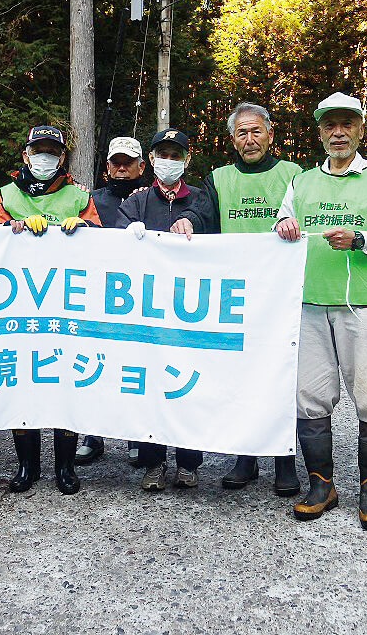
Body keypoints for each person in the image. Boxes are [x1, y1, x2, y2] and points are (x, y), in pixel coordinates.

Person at [274, 92, 367, 530]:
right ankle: (322, 484)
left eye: (347, 124)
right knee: (310, 397)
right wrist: (283, 227)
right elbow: (282, 223)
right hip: (310, 304)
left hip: (366, 306)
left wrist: (360, 239)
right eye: (330, 125)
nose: (338, 132)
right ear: (319, 132)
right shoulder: (302, 181)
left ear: (360, 129)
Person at [180, 102, 304, 496]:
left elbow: (309, 218)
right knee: (242, 377)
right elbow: (205, 218)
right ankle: (246, 458)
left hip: (283, 293)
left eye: (256, 132)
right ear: (232, 140)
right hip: (237, 295)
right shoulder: (219, 178)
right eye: (241, 134)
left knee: (282, 377)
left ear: (270, 133)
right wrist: (188, 222)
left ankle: (285, 463)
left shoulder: (294, 175)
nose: (249, 140)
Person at [0, 124, 102, 495]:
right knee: (22, 380)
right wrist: (13, 226)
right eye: (38, 150)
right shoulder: (6, 194)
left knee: (65, 381)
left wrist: (85, 227)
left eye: (52, 152)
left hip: (66, 307)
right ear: (25, 154)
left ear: (62, 158)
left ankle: (65, 467)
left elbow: (104, 244)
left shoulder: (77, 195)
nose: (44, 158)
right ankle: (27, 465)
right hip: (19, 308)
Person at [117, 128, 215, 489]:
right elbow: (117, 229)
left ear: (187, 159)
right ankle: (152, 462)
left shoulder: (201, 198)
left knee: (187, 382)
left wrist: (195, 223)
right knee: (150, 382)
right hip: (146, 308)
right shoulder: (139, 200)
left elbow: (214, 230)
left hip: (190, 307)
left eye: (176, 154)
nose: (168, 161)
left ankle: (189, 461)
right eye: (162, 154)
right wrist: (130, 232)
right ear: (152, 159)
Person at [78, 136, 148, 466]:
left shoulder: (151, 197)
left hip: (138, 295)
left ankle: (136, 434)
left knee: (134, 365)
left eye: (128, 162)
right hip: (97, 293)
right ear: (107, 167)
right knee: (96, 364)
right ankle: (93, 434)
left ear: (141, 166)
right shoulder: (90, 198)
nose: (122, 168)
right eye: (115, 162)